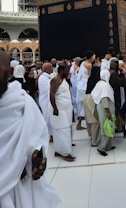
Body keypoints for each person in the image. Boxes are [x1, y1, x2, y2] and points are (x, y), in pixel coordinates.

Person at [0, 50, 60, 207]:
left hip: (18, 188)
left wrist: (36, 160)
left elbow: (37, 139)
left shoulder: (22, 103)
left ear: (9, 72)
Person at [49, 63, 76, 162]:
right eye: (66, 70)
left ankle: (60, 149)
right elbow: (51, 95)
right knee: (62, 129)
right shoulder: (55, 80)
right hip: (59, 110)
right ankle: (65, 153)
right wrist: (55, 108)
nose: (68, 72)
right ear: (60, 70)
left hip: (66, 110)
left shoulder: (63, 79)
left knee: (66, 128)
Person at [91, 69, 115, 156]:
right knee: (107, 127)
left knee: (107, 126)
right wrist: (108, 112)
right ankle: (101, 147)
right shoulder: (104, 85)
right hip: (105, 109)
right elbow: (104, 98)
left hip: (101, 108)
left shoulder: (99, 83)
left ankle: (108, 146)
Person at [76, 50, 95, 130]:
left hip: (80, 85)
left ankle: (80, 123)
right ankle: (83, 123)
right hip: (85, 86)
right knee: (86, 105)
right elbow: (90, 76)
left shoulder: (83, 63)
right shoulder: (89, 65)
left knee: (82, 106)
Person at [83, 65, 101, 147]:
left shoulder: (90, 78)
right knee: (95, 120)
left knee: (89, 120)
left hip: (86, 98)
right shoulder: (98, 80)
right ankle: (95, 141)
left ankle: (91, 136)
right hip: (92, 99)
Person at [109, 59, 126, 134]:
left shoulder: (112, 73)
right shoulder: (114, 74)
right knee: (119, 113)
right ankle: (119, 127)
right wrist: (122, 74)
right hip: (117, 96)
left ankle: (119, 127)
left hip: (116, 96)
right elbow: (122, 83)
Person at [38, 62, 54, 141]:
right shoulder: (43, 78)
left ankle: (52, 135)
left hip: (49, 100)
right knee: (47, 118)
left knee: (51, 117)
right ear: (46, 69)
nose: (52, 69)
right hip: (45, 100)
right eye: (50, 67)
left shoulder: (49, 76)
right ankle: (50, 135)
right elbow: (49, 89)